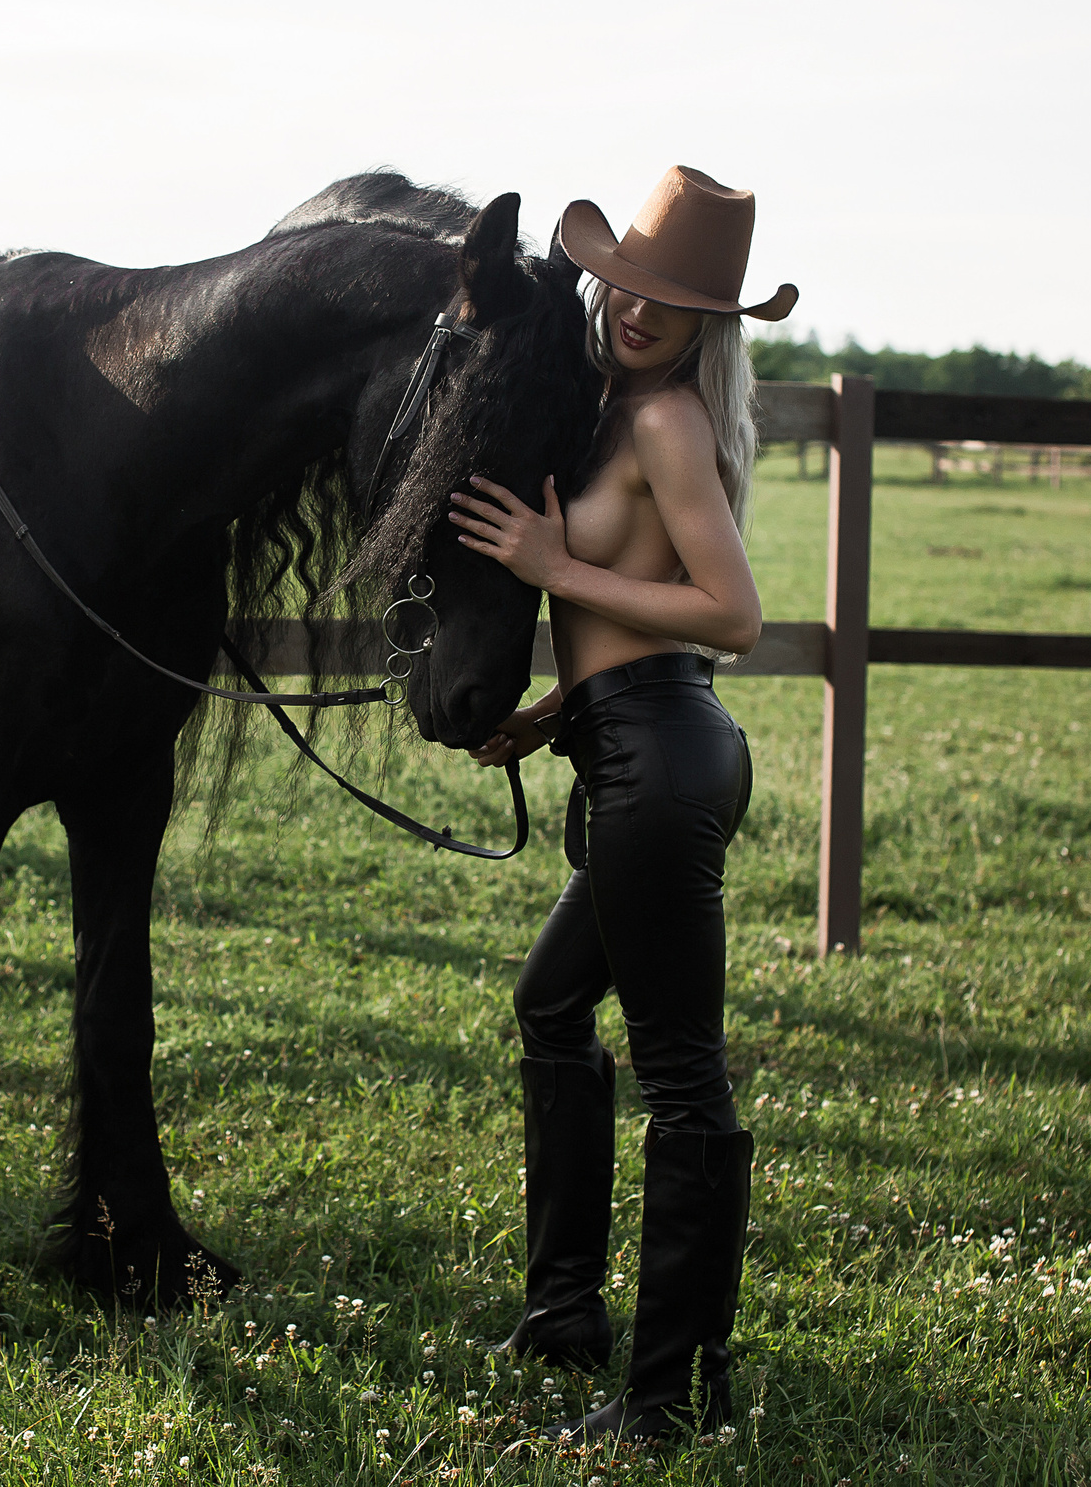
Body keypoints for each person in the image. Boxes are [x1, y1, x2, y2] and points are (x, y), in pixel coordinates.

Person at [446, 164, 795, 1442]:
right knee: (549, 1004)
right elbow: (619, 607)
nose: (640, 313)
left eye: (675, 301)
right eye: (629, 286)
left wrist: (545, 563)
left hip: (664, 758)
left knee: (684, 1079)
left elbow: (734, 616)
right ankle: (563, 1315)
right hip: (629, 742)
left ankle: (668, 1402)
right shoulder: (609, 412)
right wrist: (554, 711)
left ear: (709, 323)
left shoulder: (664, 428)